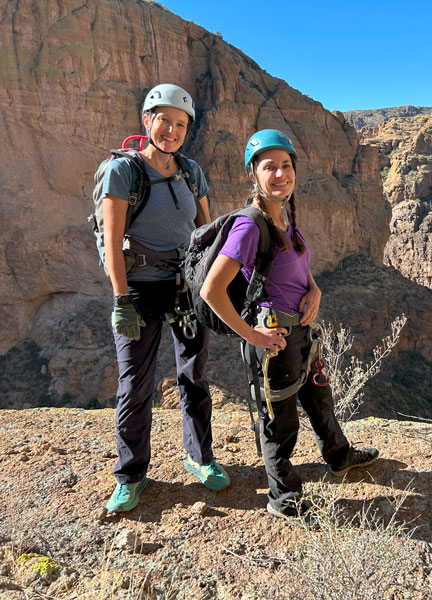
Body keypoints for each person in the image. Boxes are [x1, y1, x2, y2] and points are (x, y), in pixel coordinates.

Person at [199, 129, 378, 520]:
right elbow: (212, 290)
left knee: (319, 399)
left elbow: (299, 270)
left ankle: (339, 457)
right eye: (269, 167)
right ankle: (284, 497)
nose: (280, 174)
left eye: (285, 166)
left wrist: (315, 291)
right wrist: (252, 335)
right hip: (274, 340)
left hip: (302, 334)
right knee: (280, 422)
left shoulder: (284, 218)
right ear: (253, 174)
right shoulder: (250, 226)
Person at [103, 83, 229, 513]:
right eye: (164, 121)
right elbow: (112, 239)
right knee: (135, 385)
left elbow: (207, 233)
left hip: (184, 288)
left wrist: (213, 287)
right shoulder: (124, 172)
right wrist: (121, 300)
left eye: (180, 124)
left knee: (194, 376)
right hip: (138, 288)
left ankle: (200, 457)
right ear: (147, 121)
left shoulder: (191, 172)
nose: (171, 130)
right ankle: (130, 475)